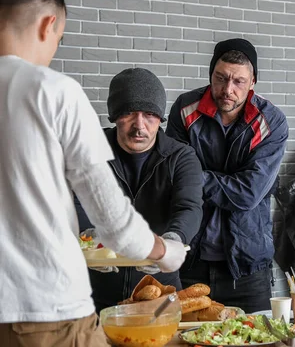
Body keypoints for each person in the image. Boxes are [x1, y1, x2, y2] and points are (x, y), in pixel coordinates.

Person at [0, 0, 186, 346]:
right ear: (48, 24)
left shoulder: (180, 157)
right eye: (60, 38)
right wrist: (167, 252)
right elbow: (113, 221)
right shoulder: (53, 91)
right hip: (45, 311)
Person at [166, 38, 288, 313]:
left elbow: (248, 194)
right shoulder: (185, 109)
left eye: (239, 82)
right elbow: (176, 178)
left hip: (247, 267)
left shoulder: (271, 122)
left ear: (253, 82)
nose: (227, 90)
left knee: (255, 341)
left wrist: (199, 177)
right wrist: (225, 181)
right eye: (220, 79)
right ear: (211, 74)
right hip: (189, 260)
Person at [77, 68, 204, 311]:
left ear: (160, 118)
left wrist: (171, 242)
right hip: (91, 295)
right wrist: (88, 238)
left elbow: (189, 207)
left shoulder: (181, 157)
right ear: (114, 116)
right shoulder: (91, 149)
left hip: (159, 293)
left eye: (149, 115)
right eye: (129, 114)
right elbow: (74, 201)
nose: (140, 126)